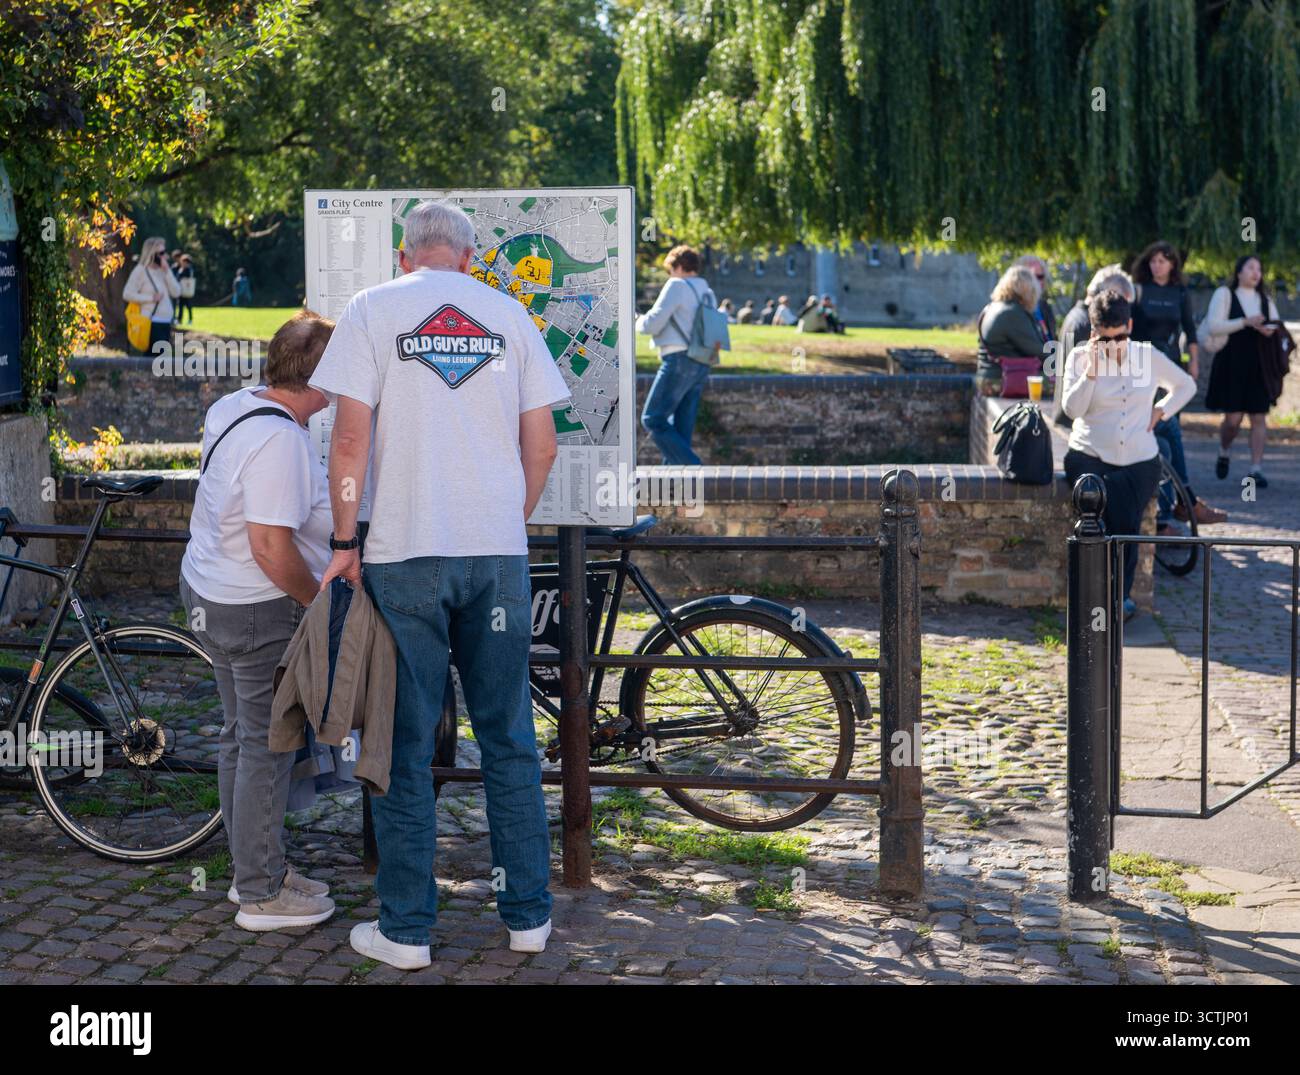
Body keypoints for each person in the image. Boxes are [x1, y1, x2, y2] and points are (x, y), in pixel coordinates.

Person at [310, 200, 569, 970]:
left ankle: (409, 929)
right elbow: (545, 447)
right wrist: (502, 519)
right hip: (496, 557)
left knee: (404, 743)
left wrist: (344, 538)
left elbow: (350, 438)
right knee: (509, 738)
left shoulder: (371, 310)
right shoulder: (509, 316)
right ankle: (527, 916)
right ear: (468, 255)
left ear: (404, 254)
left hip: (402, 553)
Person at [179, 310, 338, 931]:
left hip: (209, 588)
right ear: (323, 379)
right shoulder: (280, 443)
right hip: (252, 610)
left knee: (240, 738)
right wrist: (313, 601)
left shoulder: (238, 406)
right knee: (267, 749)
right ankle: (261, 892)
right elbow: (272, 548)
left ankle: (255, 865)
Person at [1062, 289, 1197, 620]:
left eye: (1120, 336)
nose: (1114, 346)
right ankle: (1091, 595)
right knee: (1095, 514)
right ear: (1094, 333)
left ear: (1130, 326)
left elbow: (1186, 385)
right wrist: (1091, 374)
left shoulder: (1147, 356)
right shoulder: (1080, 357)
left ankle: (1118, 597)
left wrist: (1161, 411)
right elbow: (1071, 409)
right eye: (1105, 339)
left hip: (1139, 457)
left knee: (1125, 515)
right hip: (1089, 452)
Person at [1129, 240, 1228, 529]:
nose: (1157, 265)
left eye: (1163, 260)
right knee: (1157, 428)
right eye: (1153, 260)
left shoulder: (1179, 292)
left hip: (1169, 360)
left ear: (1172, 264)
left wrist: (1193, 361)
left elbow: (1189, 328)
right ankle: (1174, 504)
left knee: (1169, 421)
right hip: (1143, 361)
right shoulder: (1139, 291)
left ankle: (1177, 503)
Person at [1205, 255, 1284, 489]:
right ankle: (1224, 449)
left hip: (1258, 365)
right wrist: (1245, 322)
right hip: (1232, 363)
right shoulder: (1225, 294)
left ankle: (1256, 469)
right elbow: (1214, 325)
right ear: (1239, 271)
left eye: (1259, 268)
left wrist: (1269, 329)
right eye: (1251, 267)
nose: (1256, 272)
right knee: (1233, 419)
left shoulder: (1265, 299)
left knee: (1259, 417)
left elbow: (1277, 326)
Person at [636, 244, 716, 465]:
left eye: (670, 270)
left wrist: (636, 320)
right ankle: (675, 484)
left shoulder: (677, 286)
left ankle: (694, 467)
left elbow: (653, 323)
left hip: (678, 358)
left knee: (653, 418)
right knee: (681, 429)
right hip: (701, 361)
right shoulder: (708, 292)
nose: (669, 275)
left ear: (679, 267)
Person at [975, 265, 1045, 396]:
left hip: (988, 376)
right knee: (1061, 381)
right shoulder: (1012, 313)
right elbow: (1040, 351)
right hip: (1001, 380)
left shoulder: (991, 307)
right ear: (1028, 290)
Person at [121, 236, 180, 354]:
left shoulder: (163, 271)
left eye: (165, 252)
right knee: (154, 363)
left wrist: (167, 271)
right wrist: (151, 298)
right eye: (161, 253)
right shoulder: (140, 270)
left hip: (166, 322)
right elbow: (127, 294)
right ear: (152, 254)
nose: (165, 256)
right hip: (152, 323)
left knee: (162, 364)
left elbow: (176, 292)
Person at [1015, 255, 1057, 341]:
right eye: (1031, 277)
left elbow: (1053, 340)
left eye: (1040, 277)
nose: (1036, 281)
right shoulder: (1012, 309)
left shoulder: (1045, 307)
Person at [174, 252, 196, 324]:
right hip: (181, 291)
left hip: (186, 291)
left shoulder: (188, 270)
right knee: (180, 307)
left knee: (188, 306)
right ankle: (179, 320)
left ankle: (190, 320)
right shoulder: (180, 269)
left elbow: (188, 279)